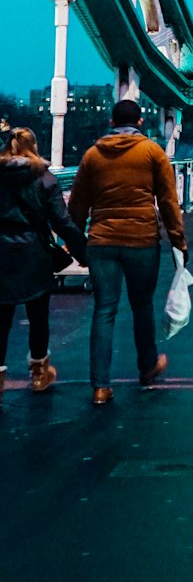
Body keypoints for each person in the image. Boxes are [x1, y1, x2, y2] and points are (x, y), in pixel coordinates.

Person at [69, 99, 187, 407]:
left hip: (102, 242)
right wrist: (178, 241)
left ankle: (100, 386)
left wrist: (76, 247)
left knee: (104, 311)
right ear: (140, 123)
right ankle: (147, 366)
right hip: (141, 240)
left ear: (110, 122)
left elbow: (77, 206)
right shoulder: (152, 152)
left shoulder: (93, 155)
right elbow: (168, 202)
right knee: (142, 305)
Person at [0, 127, 86, 399]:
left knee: (1, 319)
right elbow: (62, 221)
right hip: (34, 253)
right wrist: (83, 253)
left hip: (1, 252)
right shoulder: (45, 179)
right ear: (34, 146)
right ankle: (39, 373)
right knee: (38, 316)